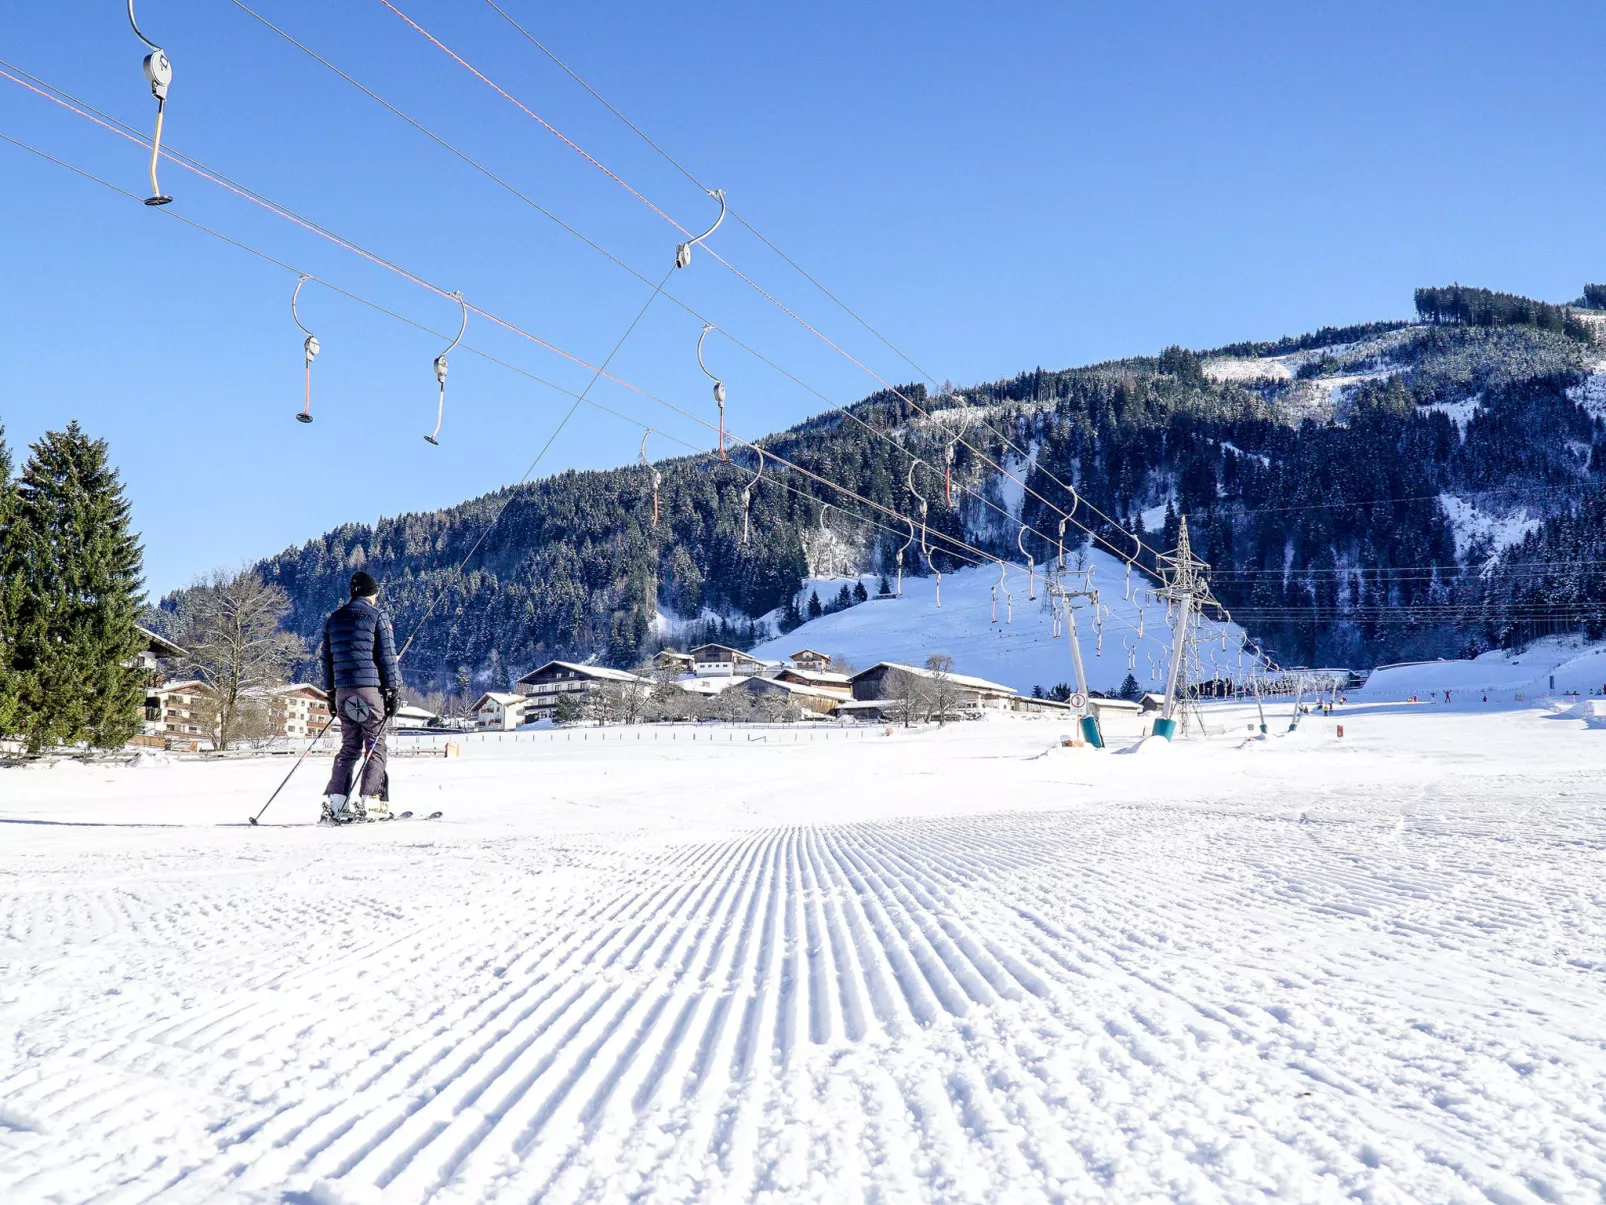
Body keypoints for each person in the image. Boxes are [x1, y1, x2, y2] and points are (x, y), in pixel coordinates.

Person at [319, 571, 401, 823]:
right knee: (375, 745)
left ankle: (336, 802)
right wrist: (393, 690)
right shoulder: (377, 616)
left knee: (349, 746)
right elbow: (387, 657)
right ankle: (371, 800)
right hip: (370, 691)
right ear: (372, 593)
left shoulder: (333, 619)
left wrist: (330, 694)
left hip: (343, 691)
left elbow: (326, 660)